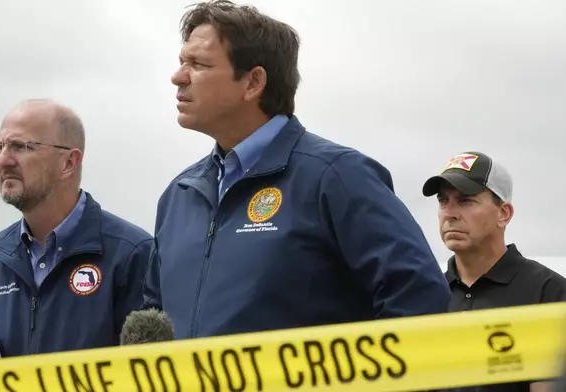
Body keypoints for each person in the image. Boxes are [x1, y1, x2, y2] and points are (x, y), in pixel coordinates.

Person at [141, 0, 450, 340]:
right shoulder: (178, 196)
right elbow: (152, 319)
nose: (178, 76)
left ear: (253, 82)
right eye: (182, 61)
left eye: (198, 64)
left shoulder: (337, 176)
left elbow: (419, 297)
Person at [0, 99, 153, 362]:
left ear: (69, 163)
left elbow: (149, 373)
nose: (3, 160)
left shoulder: (132, 255)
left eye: (20, 146)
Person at [422, 151, 566, 392]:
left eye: (466, 200)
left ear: (504, 214)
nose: (450, 213)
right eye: (443, 201)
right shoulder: (425, 295)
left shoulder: (550, 292)